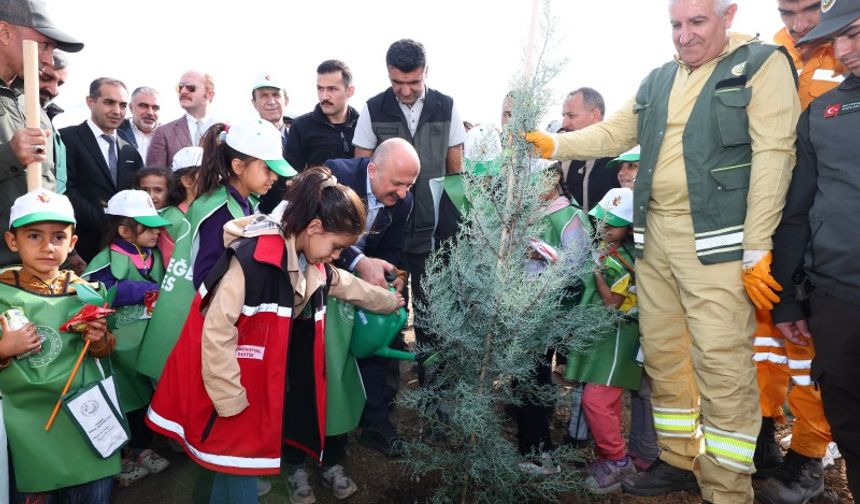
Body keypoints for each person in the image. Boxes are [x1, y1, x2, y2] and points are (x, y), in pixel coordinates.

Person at [526, 0, 800, 501]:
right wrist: (554, 145)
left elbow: (775, 155)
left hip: (717, 244)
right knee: (665, 360)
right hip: (654, 242)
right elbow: (616, 131)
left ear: (729, 14)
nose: (684, 35)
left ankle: (727, 485)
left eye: (697, 22)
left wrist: (758, 244)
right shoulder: (658, 80)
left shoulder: (761, 65)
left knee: (721, 365)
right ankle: (677, 459)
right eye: (676, 24)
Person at [146, 167, 404, 504]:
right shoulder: (252, 260)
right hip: (224, 386)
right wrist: (229, 398)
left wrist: (387, 301)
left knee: (231, 468)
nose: (337, 256)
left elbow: (343, 283)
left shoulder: (305, 256)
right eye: (337, 246)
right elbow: (216, 333)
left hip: (245, 385)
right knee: (237, 468)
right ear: (314, 228)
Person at [753, 2, 847, 503]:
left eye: (808, 10)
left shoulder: (847, 48)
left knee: (811, 351)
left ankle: (808, 458)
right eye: (787, 11)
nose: (798, 24)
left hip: (823, 224)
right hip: (774, 216)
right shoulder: (775, 49)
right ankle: (763, 434)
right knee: (764, 340)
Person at [137, 116, 296, 381]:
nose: (274, 177)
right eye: (268, 169)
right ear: (238, 166)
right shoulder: (220, 210)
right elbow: (208, 280)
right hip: (190, 327)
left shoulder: (240, 201)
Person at [353, 39, 466, 387]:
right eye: (396, 82)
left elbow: (456, 175)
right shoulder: (373, 109)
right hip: (386, 236)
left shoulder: (447, 107)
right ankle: (384, 404)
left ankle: (434, 398)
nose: (404, 90)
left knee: (434, 319)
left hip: (432, 237)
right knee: (386, 318)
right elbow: (361, 170)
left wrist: (452, 233)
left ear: (426, 73)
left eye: (413, 82)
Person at [0, 188, 116, 502]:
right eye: (34, 236)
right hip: (28, 428)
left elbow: (105, 354)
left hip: (86, 419)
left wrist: (99, 340)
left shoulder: (87, 291)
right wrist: (4, 349)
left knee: (93, 491)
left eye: (58, 237)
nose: (47, 247)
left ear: (72, 243)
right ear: (13, 241)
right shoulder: (1, 291)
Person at [325, 138, 419, 459]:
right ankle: (328, 436)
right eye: (397, 183)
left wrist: (394, 279)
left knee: (379, 349)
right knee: (330, 357)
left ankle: (376, 425)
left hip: (366, 278)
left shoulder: (403, 201)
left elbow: (392, 250)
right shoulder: (335, 176)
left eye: (409, 184)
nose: (404, 193)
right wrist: (358, 262)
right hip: (326, 277)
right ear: (374, 169)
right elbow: (319, 231)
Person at [83, 190, 171, 487]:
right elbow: (98, 292)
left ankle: (142, 447)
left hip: (146, 343)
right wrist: (141, 290)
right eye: (148, 226)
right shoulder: (106, 260)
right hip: (116, 348)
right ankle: (119, 456)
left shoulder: (152, 254)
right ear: (124, 231)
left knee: (144, 396)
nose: (157, 231)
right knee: (122, 399)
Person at [565, 188, 642, 494]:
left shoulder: (624, 262)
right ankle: (609, 457)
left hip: (619, 338)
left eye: (612, 225)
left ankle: (619, 461)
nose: (603, 229)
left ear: (630, 229)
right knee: (601, 402)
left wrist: (597, 272)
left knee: (595, 401)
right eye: (599, 221)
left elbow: (612, 303)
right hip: (603, 337)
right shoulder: (606, 250)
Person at [0, 0, 84, 267]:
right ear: (4, 33)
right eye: (44, 45)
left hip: (32, 277)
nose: (48, 60)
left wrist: (65, 253)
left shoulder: (32, 103)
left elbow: (50, 187)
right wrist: (8, 156)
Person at [61, 77, 143, 262]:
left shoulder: (129, 150)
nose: (117, 111)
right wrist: (105, 225)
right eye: (109, 102)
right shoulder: (67, 138)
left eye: (122, 105)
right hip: (78, 248)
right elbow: (65, 190)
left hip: (122, 251)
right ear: (90, 102)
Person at [285, 60, 359, 172]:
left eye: (332, 89)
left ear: (350, 91)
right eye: (320, 89)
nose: (324, 96)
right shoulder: (301, 127)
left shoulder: (363, 125)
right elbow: (290, 176)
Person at [557, 88, 619, 212]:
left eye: (571, 116)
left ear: (595, 115)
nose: (564, 123)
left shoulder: (618, 156)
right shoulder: (563, 153)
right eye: (564, 116)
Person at [146, 70, 215, 167]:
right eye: (180, 87)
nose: (183, 91)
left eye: (191, 87)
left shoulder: (226, 131)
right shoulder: (163, 132)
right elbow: (155, 177)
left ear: (209, 94)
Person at [118, 87, 161, 161]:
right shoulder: (116, 131)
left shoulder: (169, 136)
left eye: (155, 108)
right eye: (144, 106)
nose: (150, 113)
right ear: (131, 108)